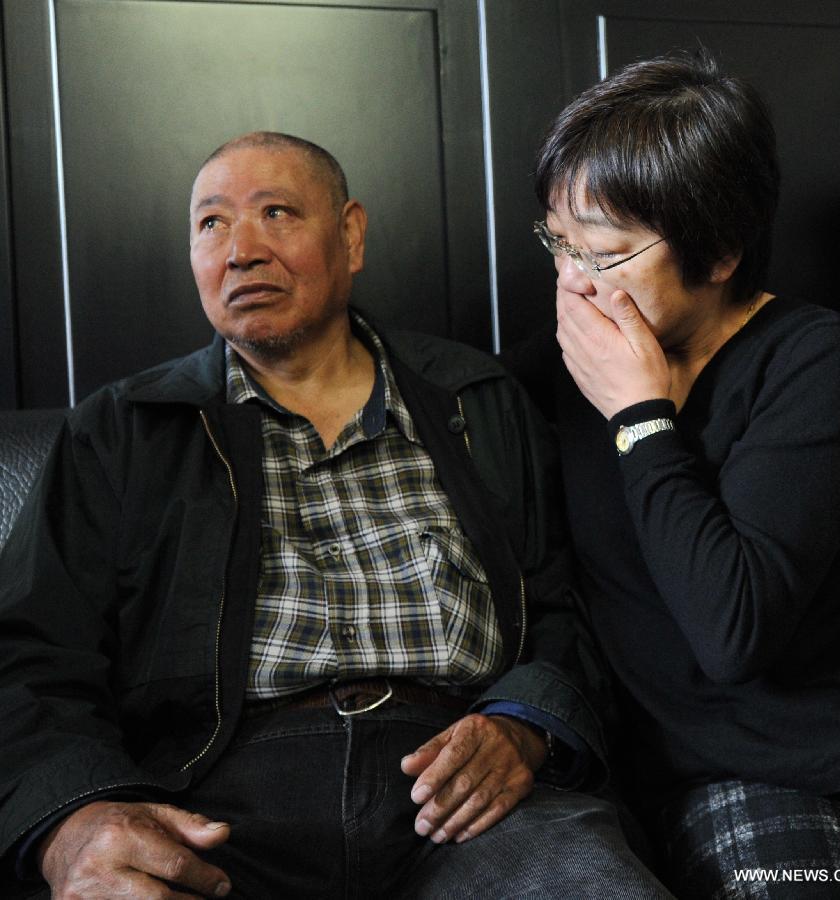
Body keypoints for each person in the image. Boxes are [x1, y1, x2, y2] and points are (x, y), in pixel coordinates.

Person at [0, 131, 673, 898]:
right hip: (215, 806)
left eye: (276, 213)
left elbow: (576, 602)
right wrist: (72, 821)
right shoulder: (124, 429)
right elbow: (30, 655)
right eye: (211, 224)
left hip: (467, 796)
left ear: (350, 234)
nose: (240, 250)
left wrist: (526, 722)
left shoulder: (478, 402)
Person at [521, 49, 840, 897]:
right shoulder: (558, 367)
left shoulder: (813, 360)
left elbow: (736, 620)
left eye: (604, 255)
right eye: (558, 242)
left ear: (719, 250)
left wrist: (640, 418)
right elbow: (726, 650)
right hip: (712, 770)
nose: (572, 284)